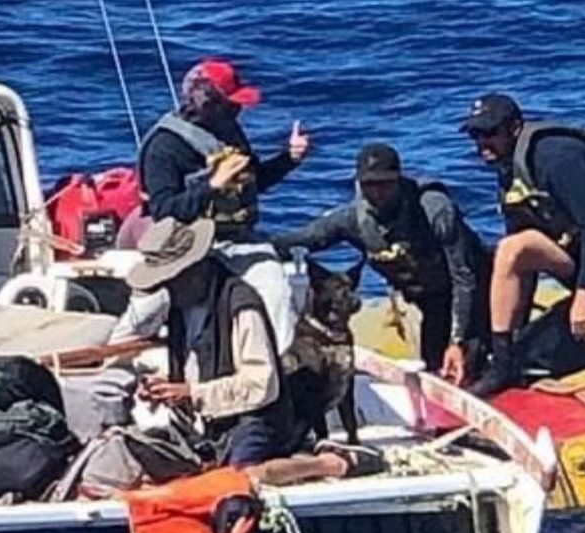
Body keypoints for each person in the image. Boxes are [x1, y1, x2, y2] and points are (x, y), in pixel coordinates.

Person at [126, 217, 382, 486]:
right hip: (210, 422)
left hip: (258, 419)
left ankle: (330, 464)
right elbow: (196, 367)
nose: (168, 289)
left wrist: (193, 393)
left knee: (240, 477)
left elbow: (263, 385)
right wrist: (167, 387)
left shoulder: (241, 305)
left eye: (172, 280)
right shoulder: (181, 308)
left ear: (194, 269)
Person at [461, 93, 585, 397]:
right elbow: (522, 259)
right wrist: (512, 336)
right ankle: (502, 364)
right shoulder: (509, 169)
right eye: (475, 135)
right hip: (577, 253)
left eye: (490, 133)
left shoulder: (558, 158)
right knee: (511, 249)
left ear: (514, 128)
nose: (482, 143)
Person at [111, 58, 310, 354]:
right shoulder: (163, 148)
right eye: (230, 105)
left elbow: (254, 183)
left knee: (277, 295)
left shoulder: (230, 133)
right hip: (184, 249)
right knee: (174, 311)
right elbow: (165, 210)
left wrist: (289, 159)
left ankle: (276, 372)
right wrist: (212, 185)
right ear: (206, 103)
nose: (237, 111)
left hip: (239, 241)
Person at [270, 143, 492, 385]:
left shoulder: (434, 209)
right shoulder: (352, 219)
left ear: (398, 180)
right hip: (431, 304)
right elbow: (300, 241)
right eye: (369, 185)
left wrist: (458, 341)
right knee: (436, 372)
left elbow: (465, 276)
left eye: (385, 184)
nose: (377, 193)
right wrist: (246, 244)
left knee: (474, 370)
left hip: (476, 294)